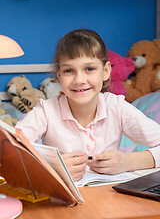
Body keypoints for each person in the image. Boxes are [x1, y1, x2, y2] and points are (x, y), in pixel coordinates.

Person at [16, 29, 160, 181]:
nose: (79, 80)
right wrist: (51, 167)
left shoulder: (116, 107)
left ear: (105, 71)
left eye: (89, 69)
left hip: (108, 199)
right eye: (69, 71)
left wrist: (128, 162)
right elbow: (10, 150)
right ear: (59, 75)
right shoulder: (46, 111)